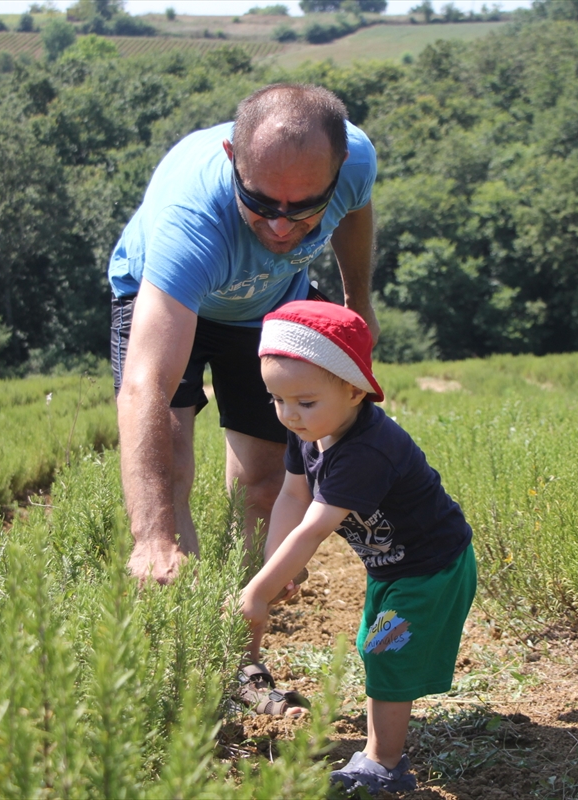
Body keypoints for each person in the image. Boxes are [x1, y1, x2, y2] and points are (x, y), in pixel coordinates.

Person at [109, 83, 380, 585]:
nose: (280, 227)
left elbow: (356, 208)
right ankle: (181, 613)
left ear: (338, 168)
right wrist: (151, 538)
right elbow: (145, 384)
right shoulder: (189, 222)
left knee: (264, 482)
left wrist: (357, 300)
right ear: (233, 158)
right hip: (168, 297)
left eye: (303, 209)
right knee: (169, 468)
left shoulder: (355, 161)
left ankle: (242, 628)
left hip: (267, 303)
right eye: (259, 202)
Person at [238, 301, 478, 796]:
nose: (290, 415)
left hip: (431, 571)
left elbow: (314, 528)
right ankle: (379, 753)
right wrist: (275, 568)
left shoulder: (366, 450)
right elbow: (292, 495)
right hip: (390, 569)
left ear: (354, 390)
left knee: (384, 649)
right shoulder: (310, 431)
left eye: (304, 401)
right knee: (378, 647)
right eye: (277, 401)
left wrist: (259, 591)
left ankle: (385, 765)